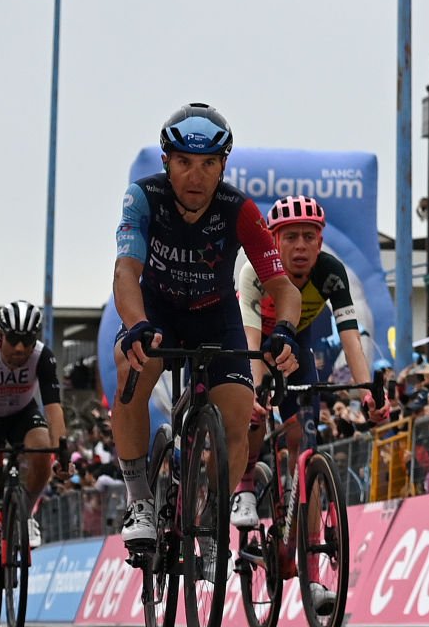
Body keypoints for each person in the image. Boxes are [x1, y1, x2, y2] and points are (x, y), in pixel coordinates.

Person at [111, 105, 303, 552]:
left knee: (239, 412)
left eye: (208, 165)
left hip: (215, 316)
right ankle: (139, 499)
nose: (195, 176)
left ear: (223, 165)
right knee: (129, 366)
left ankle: (212, 517)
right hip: (157, 311)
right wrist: (137, 325)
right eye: (184, 163)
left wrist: (286, 331)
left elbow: (284, 288)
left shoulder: (240, 209)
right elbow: (125, 271)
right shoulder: (143, 198)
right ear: (166, 162)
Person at [234, 193, 369, 621]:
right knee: (252, 407)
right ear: (273, 240)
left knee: (306, 444)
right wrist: (256, 392)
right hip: (252, 341)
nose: (300, 246)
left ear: (320, 240)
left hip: (298, 345)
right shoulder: (255, 270)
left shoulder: (330, 273)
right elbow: (251, 343)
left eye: (309, 237)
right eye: (290, 237)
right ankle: (244, 487)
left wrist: (365, 390)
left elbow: (351, 335)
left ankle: (311, 573)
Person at [0, 302, 67, 623]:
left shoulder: (42, 356)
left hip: (22, 415)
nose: (20, 348)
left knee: (42, 449)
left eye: (27, 341)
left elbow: (54, 407)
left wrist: (61, 452)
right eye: (13, 340)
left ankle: (25, 514)